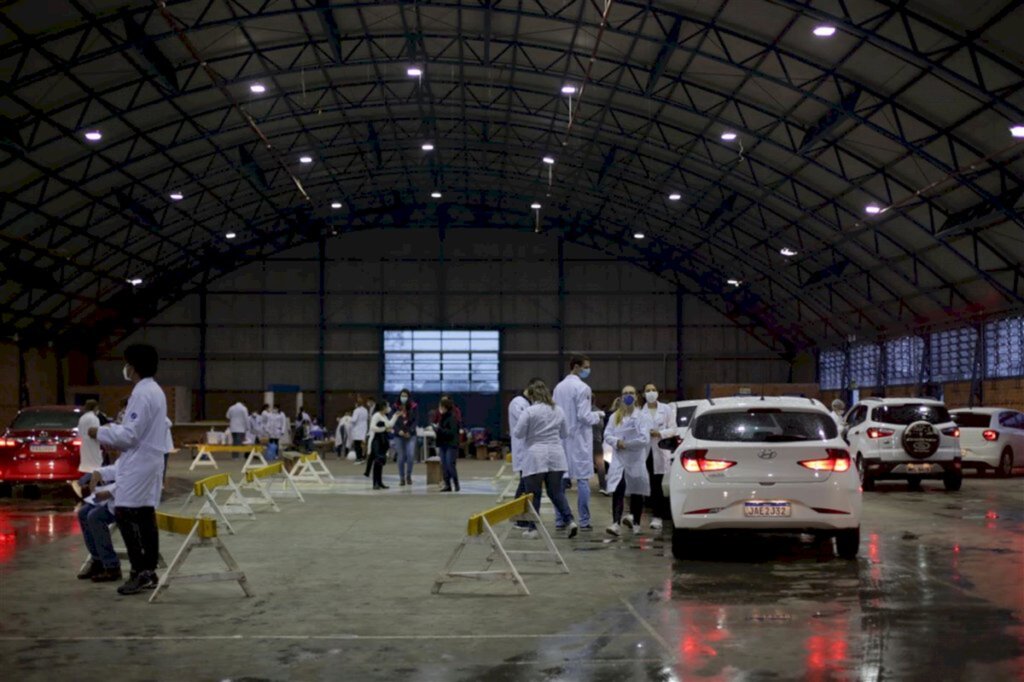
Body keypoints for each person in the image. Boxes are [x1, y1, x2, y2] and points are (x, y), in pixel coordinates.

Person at [87, 343, 169, 595]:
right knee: (144, 514)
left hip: (141, 460)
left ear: (132, 367)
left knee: (125, 512)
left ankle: (139, 571)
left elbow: (129, 435)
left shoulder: (143, 393)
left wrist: (98, 432)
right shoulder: (154, 390)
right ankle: (148, 571)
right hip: (146, 460)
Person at [513, 379, 578, 538]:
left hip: (535, 456)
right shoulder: (559, 410)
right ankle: (570, 521)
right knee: (556, 492)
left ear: (533, 395)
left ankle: (533, 528)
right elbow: (564, 434)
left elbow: (518, 433)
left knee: (533, 493)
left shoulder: (529, 411)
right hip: (556, 455)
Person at [552, 354, 605, 531]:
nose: (588, 370)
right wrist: (597, 415)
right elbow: (584, 416)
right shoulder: (583, 388)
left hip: (562, 439)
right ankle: (584, 521)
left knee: (560, 481)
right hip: (579, 440)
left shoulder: (558, 388)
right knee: (582, 480)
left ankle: (560, 520)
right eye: (586, 366)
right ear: (576, 366)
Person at [603, 385, 652, 537]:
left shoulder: (642, 417)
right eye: (625, 393)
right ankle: (616, 523)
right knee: (618, 488)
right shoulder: (615, 416)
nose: (628, 396)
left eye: (631, 393)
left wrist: (627, 444)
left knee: (636, 491)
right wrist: (617, 442)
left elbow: (644, 439)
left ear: (636, 396)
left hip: (635, 458)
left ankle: (636, 522)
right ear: (621, 396)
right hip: (619, 459)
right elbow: (607, 434)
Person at [639, 383, 674, 532]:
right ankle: (642, 516)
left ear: (658, 393)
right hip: (646, 452)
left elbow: (674, 428)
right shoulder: (640, 412)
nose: (651, 392)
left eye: (653, 390)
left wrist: (660, 433)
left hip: (660, 451)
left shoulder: (666, 410)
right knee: (649, 486)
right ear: (643, 394)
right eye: (648, 390)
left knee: (658, 486)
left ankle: (658, 517)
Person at [75, 471, 121, 582]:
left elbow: (130, 479)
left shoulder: (140, 457)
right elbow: (115, 469)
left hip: (129, 500)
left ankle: (112, 565)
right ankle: (98, 559)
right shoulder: (123, 456)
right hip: (112, 498)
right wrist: (97, 473)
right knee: (83, 513)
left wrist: (109, 492)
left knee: (95, 517)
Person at [508, 382, 534, 517]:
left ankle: (519, 517)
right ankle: (518, 517)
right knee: (524, 485)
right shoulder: (518, 402)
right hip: (523, 449)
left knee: (525, 485)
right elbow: (527, 421)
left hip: (527, 449)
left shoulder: (525, 403)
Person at [368, 400, 398, 490]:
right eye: (387, 406)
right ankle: (375, 483)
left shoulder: (384, 416)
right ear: (383, 407)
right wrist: (384, 429)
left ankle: (380, 482)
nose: (388, 408)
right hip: (376, 441)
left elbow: (389, 424)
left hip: (382, 441)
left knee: (380, 462)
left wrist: (396, 416)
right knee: (377, 462)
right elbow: (372, 427)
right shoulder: (376, 416)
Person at [393, 389, 418, 486]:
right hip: (399, 435)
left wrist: (410, 431)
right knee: (401, 456)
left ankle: (408, 475)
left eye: (405, 395)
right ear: (399, 396)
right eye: (402, 395)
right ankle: (401, 478)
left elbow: (416, 420)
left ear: (409, 397)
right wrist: (399, 431)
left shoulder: (414, 406)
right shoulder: (395, 406)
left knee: (410, 455)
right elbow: (393, 419)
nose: (403, 397)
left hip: (411, 435)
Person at [436, 397, 461, 492]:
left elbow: (451, 432)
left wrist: (439, 430)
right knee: (444, 465)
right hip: (443, 444)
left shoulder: (452, 418)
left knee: (450, 464)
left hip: (451, 445)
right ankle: (447, 484)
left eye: (441, 406)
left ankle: (456, 484)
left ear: (445, 407)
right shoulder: (442, 418)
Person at [76, 400, 103, 474]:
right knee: (94, 466)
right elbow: (96, 432)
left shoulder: (82, 418)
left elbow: (79, 432)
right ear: (95, 407)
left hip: (84, 444)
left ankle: (84, 480)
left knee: (85, 464)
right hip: (92, 444)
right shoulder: (94, 418)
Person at [351, 396, 369, 464]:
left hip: (357, 429)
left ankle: (358, 459)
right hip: (364, 429)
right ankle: (362, 458)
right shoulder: (365, 410)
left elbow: (354, 420)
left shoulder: (356, 410)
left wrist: (349, 419)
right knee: (362, 445)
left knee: (357, 445)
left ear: (357, 403)